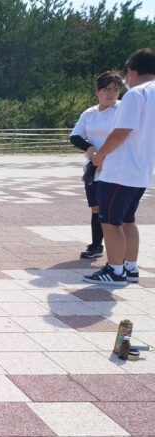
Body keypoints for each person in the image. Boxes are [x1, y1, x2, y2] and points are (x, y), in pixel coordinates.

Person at [85, 48, 155, 286]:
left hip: (121, 171)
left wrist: (100, 155)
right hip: (143, 171)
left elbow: (121, 132)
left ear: (131, 71)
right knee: (128, 219)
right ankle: (130, 267)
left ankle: (115, 271)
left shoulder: (136, 94)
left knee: (110, 221)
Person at [70, 72, 123, 260]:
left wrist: (105, 155)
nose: (111, 94)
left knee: (115, 210)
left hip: (116, 166)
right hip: (94, 167)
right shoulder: (89, 113)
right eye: (106, 90)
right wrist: (90, 148)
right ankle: (96, 245)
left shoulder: (122, 110)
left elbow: (124, 137)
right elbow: (75, 136)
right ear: (97, 92)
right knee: (96, 208)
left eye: (116, 90)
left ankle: (120, 255)